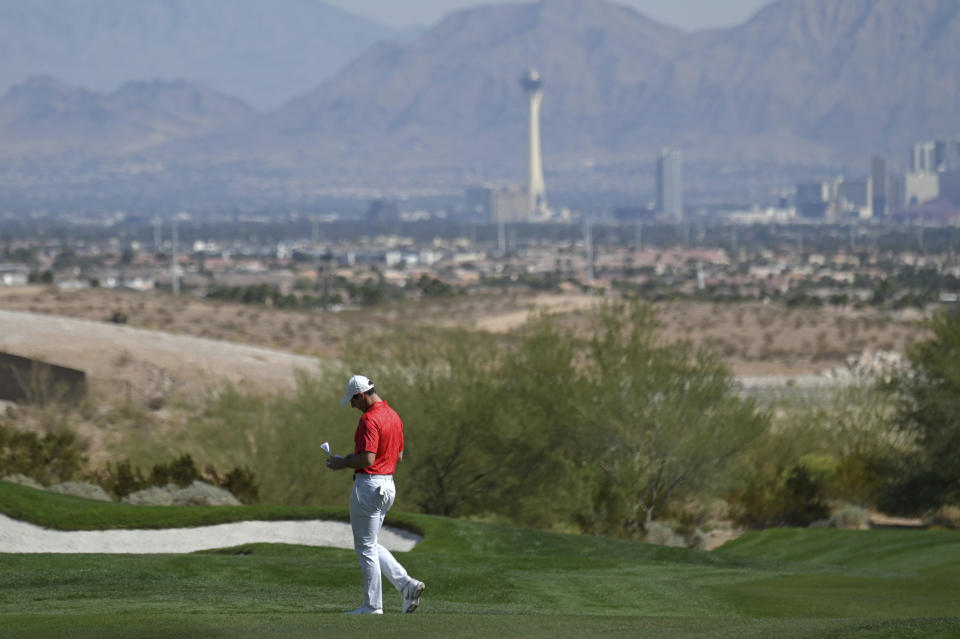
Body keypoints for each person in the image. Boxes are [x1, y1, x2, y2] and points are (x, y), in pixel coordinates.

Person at [326, 374, 425, 615]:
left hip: (369, 486)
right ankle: (407, 585)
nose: (351, 405)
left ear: (360, 395)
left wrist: (342, 463)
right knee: (370, 543)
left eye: (352, 400)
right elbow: (398, 456)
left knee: (365, 548)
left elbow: (368, 458)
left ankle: (372, 606)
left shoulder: (368, 420)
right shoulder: (394, 415)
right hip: (388, 486)